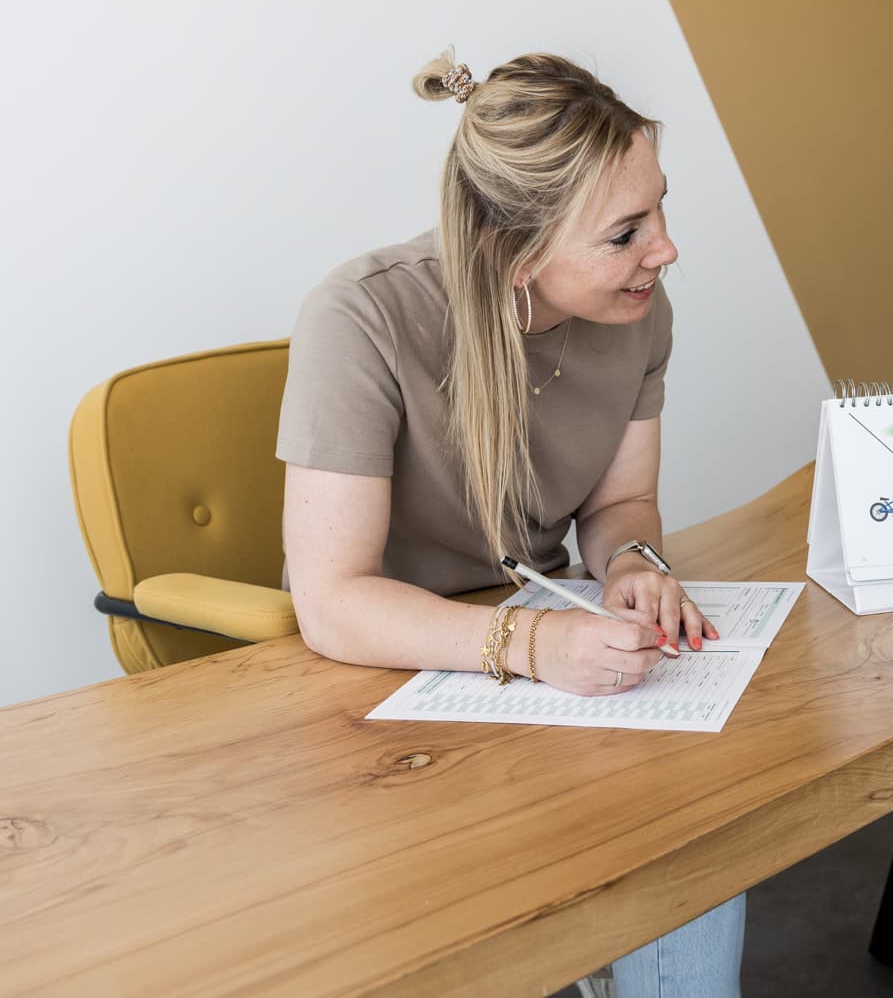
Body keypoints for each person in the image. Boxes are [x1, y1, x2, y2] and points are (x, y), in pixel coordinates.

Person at [277, 49, 742, 998]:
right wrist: (535, 643)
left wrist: (634, 564)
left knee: (693, 840)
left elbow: (617, 505)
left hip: (542, 664)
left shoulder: (637, 310)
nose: (665, 249)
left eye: (659, 208)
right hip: (380, 691)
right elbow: (331, 602)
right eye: (625, 232)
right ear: (516, 252)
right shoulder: (360, 319)